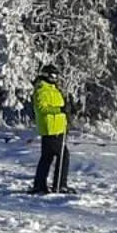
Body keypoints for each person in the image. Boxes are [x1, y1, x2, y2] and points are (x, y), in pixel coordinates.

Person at [31, 65, 69, 194]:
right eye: (52, 76)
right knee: (63, 156)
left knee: (47, 157)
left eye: (56, 76)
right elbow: (42, 108)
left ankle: (39, 185)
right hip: (50, 128)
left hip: (58, 128)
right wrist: (59, 110)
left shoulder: (53, 89)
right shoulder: (41, 89)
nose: (55, 78)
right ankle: (59, 185)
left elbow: (60, 106)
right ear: (46, 75)